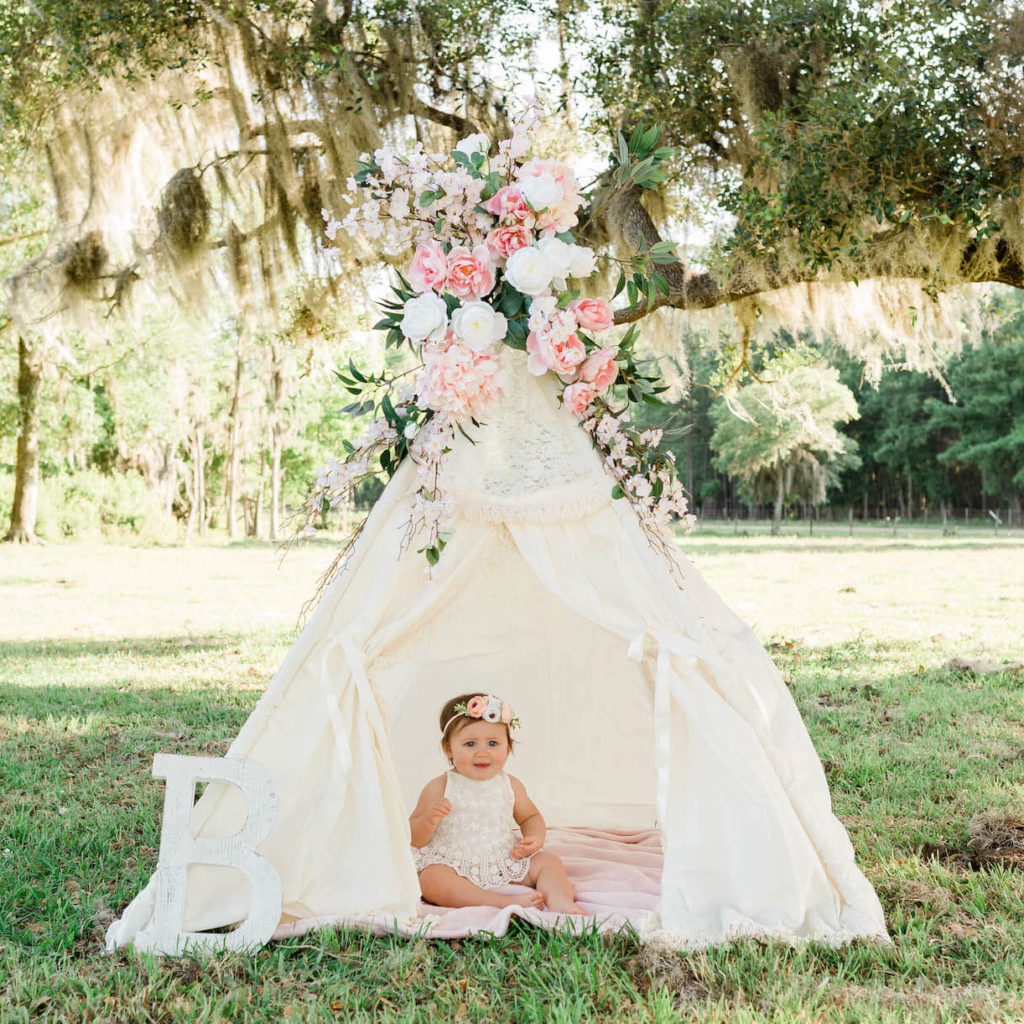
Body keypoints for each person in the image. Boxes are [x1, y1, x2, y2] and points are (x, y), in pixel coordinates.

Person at [409, 692, 586, 915]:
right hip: (454, 862)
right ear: (448, 749)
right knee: (431, 879)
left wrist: (535, 839)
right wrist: (428, 820)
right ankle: (497, 901)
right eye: (470, 743)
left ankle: (561, 901)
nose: (482, 752)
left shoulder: (510, 784)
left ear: (508, 748)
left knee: (549, 861)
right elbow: (413, 837)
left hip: (503, 857)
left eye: (493, 743)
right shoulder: (440, 786)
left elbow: (530, 817)